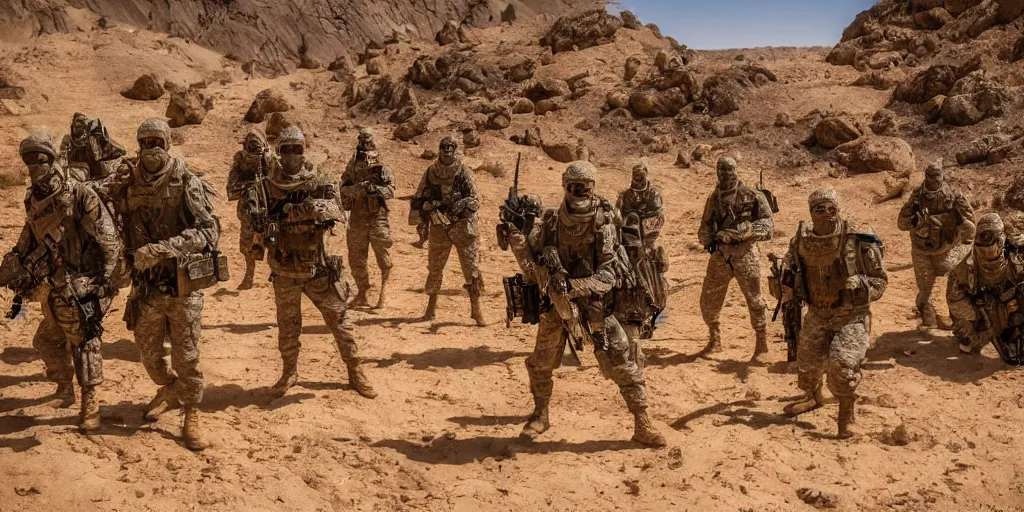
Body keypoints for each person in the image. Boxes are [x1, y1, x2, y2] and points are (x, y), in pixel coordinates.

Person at [518, 161, 666, 447]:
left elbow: (610, 271)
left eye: (585, 187)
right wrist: (545, 271)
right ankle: (540, 414)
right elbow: (535, 262)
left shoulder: (604, 220)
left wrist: (576, 287)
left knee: (623, 362)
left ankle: (642, 423)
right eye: (574, 187)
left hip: (596, 302)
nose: (579, 192)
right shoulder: (552, 221)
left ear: (593, 188)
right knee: (541, 362)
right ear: (565, 186)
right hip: (559, 301)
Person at [98, 118, 220, 450]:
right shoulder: (128, 180)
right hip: (146, 287)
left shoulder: (186, 182)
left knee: (187, 358)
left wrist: (163, 249)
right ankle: (169, 388)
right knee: (149, 356)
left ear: (167, 145)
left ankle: (191, 412)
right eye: (145, 142)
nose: (151, 149)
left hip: (182, 285)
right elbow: (97, 201)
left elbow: (209, 231)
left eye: (157, 143)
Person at [0, 133, 122, 431]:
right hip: (56, 284)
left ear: (53, 160)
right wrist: (14, 263)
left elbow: (110, 242)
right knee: (45, 341)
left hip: (87, 284)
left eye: (39, 159)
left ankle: (90, 402)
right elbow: (29, 235)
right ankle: (65, 389)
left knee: (85, 340)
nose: (33, 165)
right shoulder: (34, 199)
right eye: (28, 160)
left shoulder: (80, 195)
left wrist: (102, 284)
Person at [258, 126, 377, 400]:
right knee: (288, 327)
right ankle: (289, 373)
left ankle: (355, 370)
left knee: (341, 321)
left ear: (304, 150)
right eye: (285, 149)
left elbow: (335, 213)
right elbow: (256, 220)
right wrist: (300, 213)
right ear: (278, 152)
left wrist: (297, 212)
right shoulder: (266, 186)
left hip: (318, 268)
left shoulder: (319, 180)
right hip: (284, 269)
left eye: (296, 149)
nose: (291, 155)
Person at [778, 189, 887, 438]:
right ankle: (814, 398)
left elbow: (880, 282)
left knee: (842, 368)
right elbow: (789, 276)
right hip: (817, 314)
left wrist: (862, 284)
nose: (826, 214)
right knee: (806, 367)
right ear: (811, 212)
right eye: (820, 209)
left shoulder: (856, 240)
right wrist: (782, 285)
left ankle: (846, 415)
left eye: (831, 209)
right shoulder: (800, 242)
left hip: (851, 316)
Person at [697, 156, 774, 361]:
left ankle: (762, 345)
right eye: (720, 170)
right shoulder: (714, 199)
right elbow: (705, 224)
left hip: (746, 254)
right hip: (721, 255)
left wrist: (744, 234)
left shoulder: (751, 195)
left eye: (728, 170)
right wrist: (709, 242)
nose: (724, 174)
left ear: (736, 171)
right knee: (709, 299)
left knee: (755, 300)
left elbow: (767, 223)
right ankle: (715, 340)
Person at [410, 136, 486, 326]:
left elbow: (476, 199)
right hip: (439, 225)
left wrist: (461, 204)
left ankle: (476, 310)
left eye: (450, 147)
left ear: (455, 150)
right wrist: (426, 208)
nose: (447, 150)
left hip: (462, 226)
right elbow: (418, 197)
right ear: (439, 149)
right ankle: (430, 308)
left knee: (471, 268)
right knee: (435, 267)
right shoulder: (431, 172)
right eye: (443, 147)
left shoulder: (464, 172)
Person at [897, 160, 975, 329]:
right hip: (921, 251)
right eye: (930, 176)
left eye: (937, 176)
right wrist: (912, 216)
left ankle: (953, 317)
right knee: (925, 288)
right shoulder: (917, 196)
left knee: (951, 284)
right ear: (925, 176)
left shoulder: (952, 196)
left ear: (942, 176)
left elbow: (969, 225)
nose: (934, 180)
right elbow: (901, 224)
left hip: (945, 250)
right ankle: (928, 316)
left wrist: (962, 235)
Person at [947, 213, 1024, 363]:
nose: (988, 253)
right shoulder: (964, 267)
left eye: (992, 248)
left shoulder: (1017, 251)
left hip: (1012, 298)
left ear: (1001, 241)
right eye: (982, 249)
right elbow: (954, 300)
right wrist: (989, 314)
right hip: (981, 309)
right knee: (969, 343)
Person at [340, 129, 395, 309]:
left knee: (383, 256)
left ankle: (384, 291)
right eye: (361, 141)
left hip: (377, 216)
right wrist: (357, 189)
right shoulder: (353, 163)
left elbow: (391, 190)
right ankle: (363, 292)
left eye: (367, 141)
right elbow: (343, 187)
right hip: (357, 216)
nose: (364, 144)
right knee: (356, 257)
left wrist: (374, 189)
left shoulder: (382, 164)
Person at [616, 160, 669, 342]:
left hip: (647, 242)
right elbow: (618, 217)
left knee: (656, 283)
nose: (638, 178)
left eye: (642, 174)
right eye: (636, 174)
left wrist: (644, 242)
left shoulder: (654, 194)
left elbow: (657, 219)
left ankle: (655, 320)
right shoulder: (624, 196)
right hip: (627, 242)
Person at [226, 129, 273, 290]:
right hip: (248, 210)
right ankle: (249, 276)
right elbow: (231, 190)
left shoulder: (269, 161)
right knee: (247, 246)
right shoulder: (240, 162)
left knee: (275, 241)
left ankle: (277, 273)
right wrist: (249, 186)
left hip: (270, 206)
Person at [60, 112, 127, 182]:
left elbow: (100, 156)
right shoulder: (67, 139)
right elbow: (63, 158)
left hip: (94, 171)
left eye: (80, 126)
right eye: (75, 125)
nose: (77, 128)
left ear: (84, 126)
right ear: (72, 125)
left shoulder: (91, 138)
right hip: (76, 170)